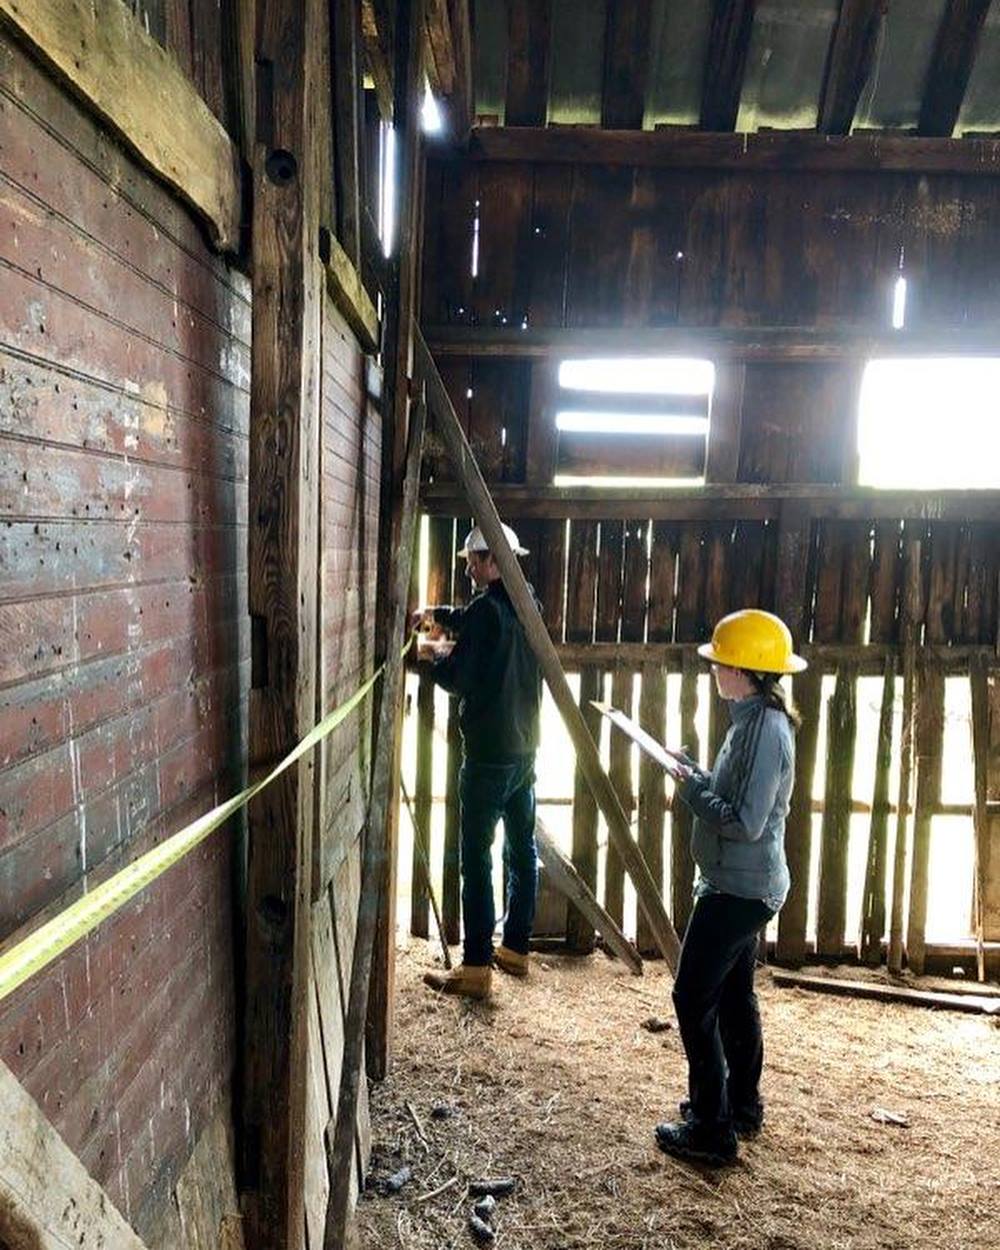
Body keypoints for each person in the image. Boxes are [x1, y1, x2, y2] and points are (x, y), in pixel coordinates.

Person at [654, 608, 806, 1166]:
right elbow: (734, 793)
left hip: (739, 890)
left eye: (721, 660)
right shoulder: (751, 718)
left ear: (743, 668)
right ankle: (740, 1106)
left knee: (692, 997)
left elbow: (745, 821)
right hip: (738, 882)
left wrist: (694, 794)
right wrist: (696, 773)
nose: (714, 667)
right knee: (735, 997)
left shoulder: (764, 731)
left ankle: (713, 1130)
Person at [413, 521, 543, 1000]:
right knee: (521, 851)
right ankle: (515, 949)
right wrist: (439, 615)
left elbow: (460, 677)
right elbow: (479, 623)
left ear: (492, 561)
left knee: (475, 857)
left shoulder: (489, 610)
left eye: (474, 560)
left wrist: (427, 660)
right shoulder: (525, 601)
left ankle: (474, 968)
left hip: (488, 753)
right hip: (525, 748)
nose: (468, 568)